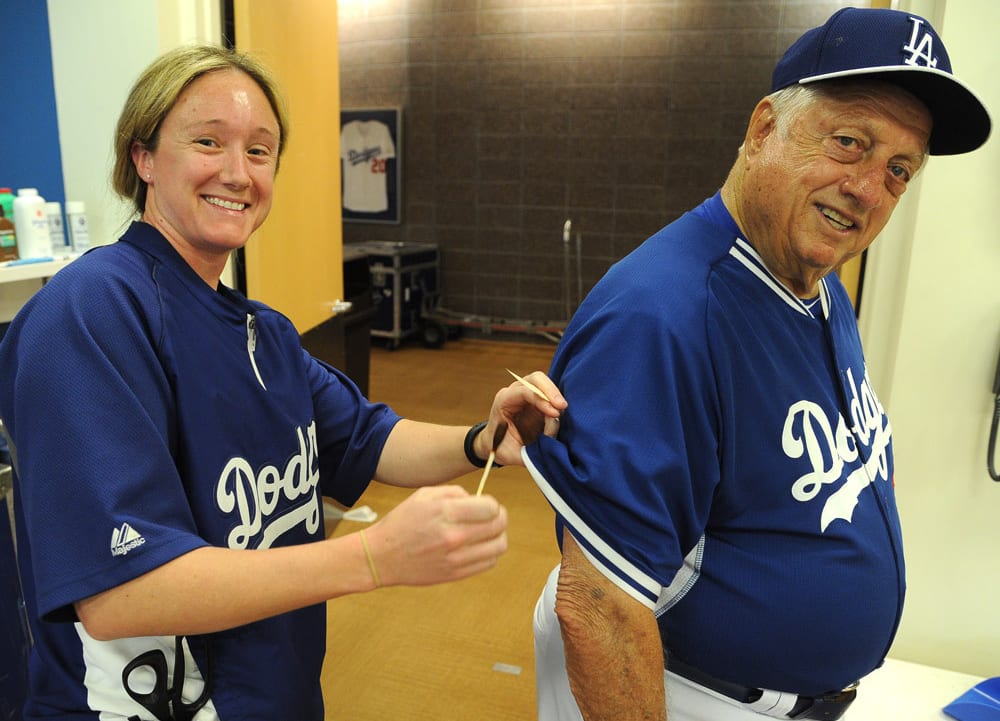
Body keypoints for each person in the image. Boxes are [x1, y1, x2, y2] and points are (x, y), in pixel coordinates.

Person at [0, 45, 567, 720]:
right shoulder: (90, 312)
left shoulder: (261, 330)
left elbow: (367, 437)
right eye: (208, 141)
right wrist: (374, 556)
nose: (238, 173)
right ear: (143, 158)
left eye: (261, 151)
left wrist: (482, 436)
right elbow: (123, 591)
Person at [524, 8, 990, 721]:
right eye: (848, 142)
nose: (868, 189)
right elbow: (600, 608)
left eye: (898, 170)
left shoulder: (818, 280)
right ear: (764, 128)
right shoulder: (662, 315)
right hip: (690, 694)